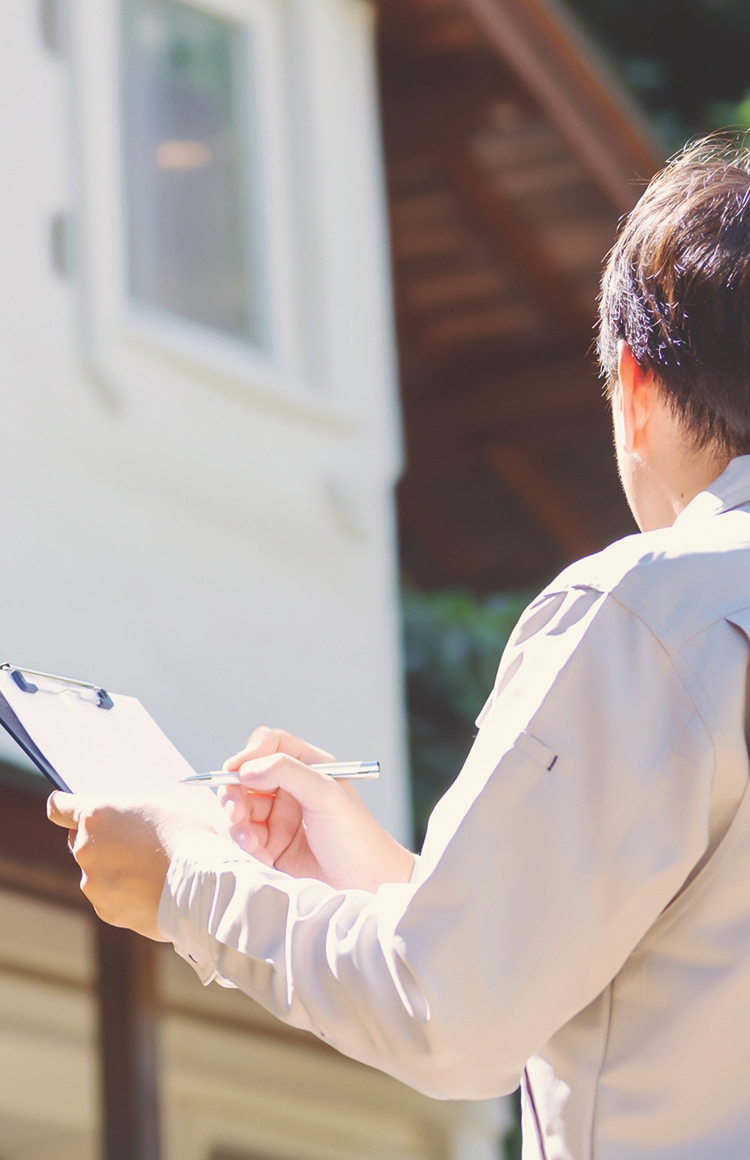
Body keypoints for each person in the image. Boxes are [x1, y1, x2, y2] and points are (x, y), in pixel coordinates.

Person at [49, 136, 750, 1159]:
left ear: (634, 383)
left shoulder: (650, 608)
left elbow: (449, 1011)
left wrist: (184, 879)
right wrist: (379, 873)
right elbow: (554, 983)